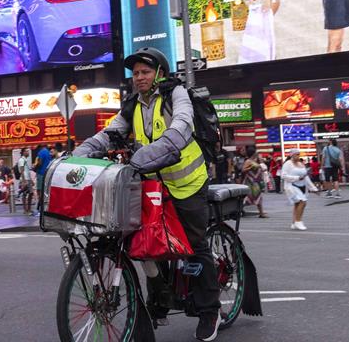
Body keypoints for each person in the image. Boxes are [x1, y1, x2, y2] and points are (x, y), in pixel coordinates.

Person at [73, 47, 223, 341]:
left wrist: (142, 158)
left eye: (145, 72)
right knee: (144, 242)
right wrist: (76, 156)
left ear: (160, 74)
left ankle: (210, 311)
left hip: (187, 184)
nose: (138, 77)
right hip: (151, 185)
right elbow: (109, 134)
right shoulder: (132, 105)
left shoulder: (175, 94)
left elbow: (180, 129)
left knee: (194, 244)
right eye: (135, 73)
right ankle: (161, 297)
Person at [281, 149, 317, 231]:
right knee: (303, 202)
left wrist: (313, 188)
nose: (298, 156)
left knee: (297, 204)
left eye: (298, 154)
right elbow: (283, 176)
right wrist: (297, 178)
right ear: (291, 155)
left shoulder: (301, 164)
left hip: (302, 186)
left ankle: (294, 222)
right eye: (296, 154)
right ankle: (298, 221)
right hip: (292, 185)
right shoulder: (287, 164)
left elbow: (306, 176)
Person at [240, 146, 268, 218]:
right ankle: (239, 210)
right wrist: (250, 167)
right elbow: (243, 170)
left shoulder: (255, 161)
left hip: (256, 181)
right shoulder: (248, 161)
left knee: (258, 196)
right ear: (253, 153)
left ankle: (261, 213)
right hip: (249, 182)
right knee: (247, 197)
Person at [32, 144, 52, 217]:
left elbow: (39, 163)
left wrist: (34, 168)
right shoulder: (48, 152)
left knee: (39, 192)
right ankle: (44, 209)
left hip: (41, 174)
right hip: (47, 173)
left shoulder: (41, 152)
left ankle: (38, 209)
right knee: (45, 192)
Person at [17, 148, 35, 214]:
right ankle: (26, 210)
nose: (28, 152)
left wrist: (31, 180)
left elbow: (27, 171)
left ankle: (28, 209)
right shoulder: (22, 160)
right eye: (27, 151)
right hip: (25, 179)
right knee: (25, 194)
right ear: (23, 152)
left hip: (28, 179)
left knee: (30, 193)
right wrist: (24, 181)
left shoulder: (25, 160)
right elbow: (21, 170)